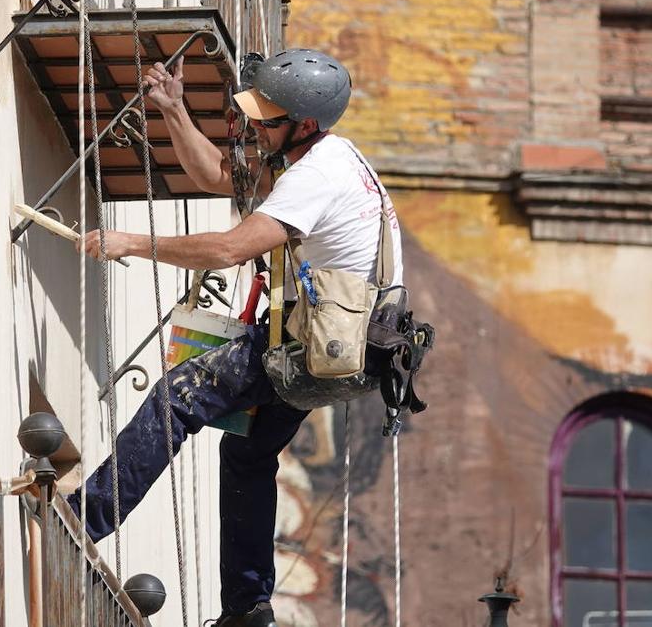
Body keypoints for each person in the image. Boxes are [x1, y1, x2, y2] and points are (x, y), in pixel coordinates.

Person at [71, 49, 404, 627]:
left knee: (179, 396)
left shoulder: (318, 175)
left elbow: (230, 250)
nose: (254, 127)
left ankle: (85, 519)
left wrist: (130, 242)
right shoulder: (324, 159)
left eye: (266, 120)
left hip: (305, 349)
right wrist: (174, 109)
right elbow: (217, 177)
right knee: (248, 453)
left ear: (303, 125)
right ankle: (248, 609)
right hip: (345, 352)